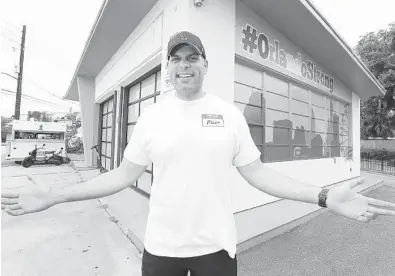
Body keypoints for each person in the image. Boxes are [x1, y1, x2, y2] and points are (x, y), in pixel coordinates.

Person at [2, 31, 395, 276]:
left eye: (192, 58)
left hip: (217, 252)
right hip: (160, 252)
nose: (183, 65)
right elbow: (121, 176)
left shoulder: (228, 115)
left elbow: (260, 175)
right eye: (176, 59)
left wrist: (324, 196)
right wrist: (54, 195)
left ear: (205, 64)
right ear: (167, 68)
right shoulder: (151, 117)